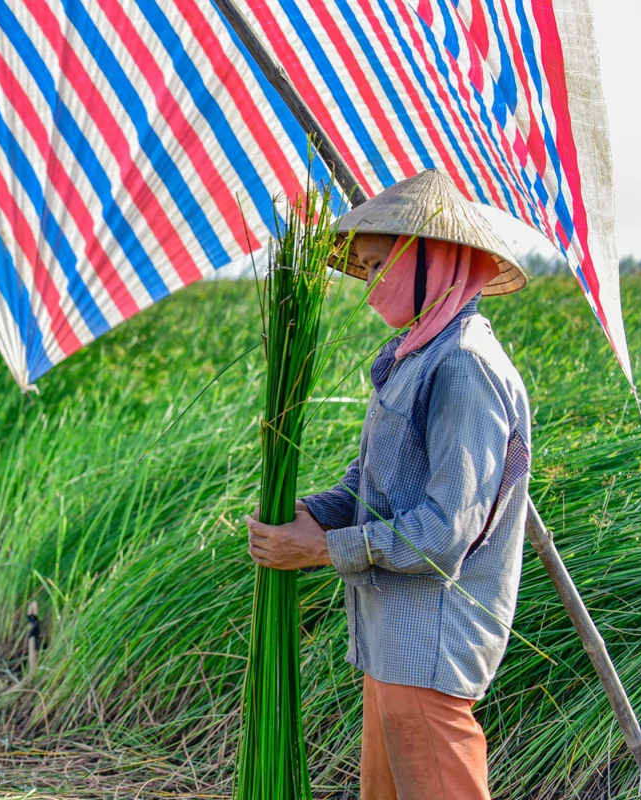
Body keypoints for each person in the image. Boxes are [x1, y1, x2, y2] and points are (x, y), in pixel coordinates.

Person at [244, 170, 531, 800]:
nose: (370, 284)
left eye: (380, 266)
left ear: (433, 259)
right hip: (391, 637)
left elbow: (445, 531)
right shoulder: (415, 354)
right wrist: (307, 516)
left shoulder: (462, 367)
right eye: (367, 268)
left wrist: (322, 550)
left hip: (431, 641)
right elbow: (370, 483)